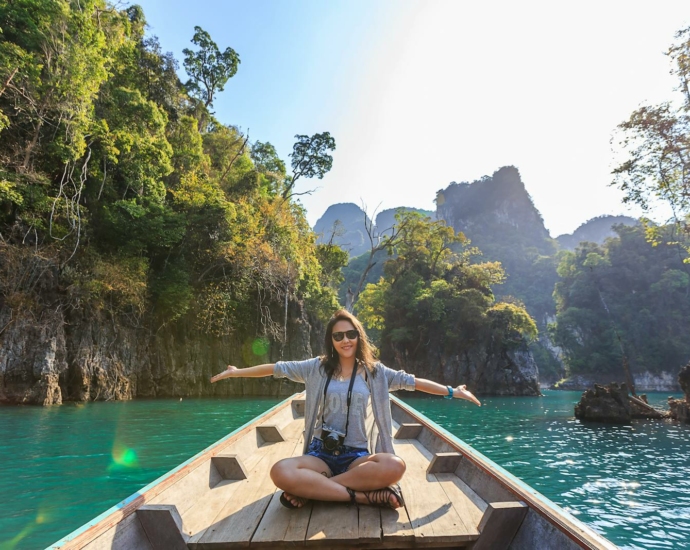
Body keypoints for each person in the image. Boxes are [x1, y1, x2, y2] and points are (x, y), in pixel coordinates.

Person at [210, 309, 481, 510]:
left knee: (394, 465)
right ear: (332, 340)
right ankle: (360, 496)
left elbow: (414, 382)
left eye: (351, 334)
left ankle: (316, 490)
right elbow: (275, 368)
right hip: (321, 454)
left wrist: (452, 392)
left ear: (358, 336)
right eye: (338, 336)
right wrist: (236, 373)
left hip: (356, 456)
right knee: (280, 471)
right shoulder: (315, 368)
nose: (345, 340)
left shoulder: (376, 373)